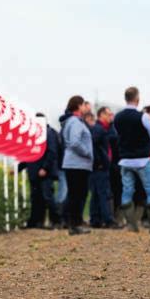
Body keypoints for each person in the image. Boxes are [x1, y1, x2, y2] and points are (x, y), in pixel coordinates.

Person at [113, 87, 150, 233]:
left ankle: (131, 225)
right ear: (137, 98)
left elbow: (118, 135)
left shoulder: (118, 117)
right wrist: (148, 147)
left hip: (125, 160)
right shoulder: (143, 117)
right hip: (142, 159)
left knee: (127, 191)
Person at [18, 115, 61, 229]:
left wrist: (45, 168)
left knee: (48, 196)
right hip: (33, 171)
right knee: (36, 198)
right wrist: (20, 167)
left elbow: (52, 152)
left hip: (44, 172)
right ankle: (36, 222)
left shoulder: (48, 133)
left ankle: (56, 221)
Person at [60, 95, 93, 235]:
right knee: (77, 195)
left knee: (77, 194)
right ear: (79, 106)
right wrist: (87, 152)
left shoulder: (74, 121)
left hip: (77, 164)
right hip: (77, 164)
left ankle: (75, 223)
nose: (87, 107)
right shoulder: (75, 122)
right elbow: (74, 142)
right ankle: (74, 224)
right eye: (84, 105)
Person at [89, 107, 121, 229]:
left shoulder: (103, 129)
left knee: (97, 194)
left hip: (101, 166)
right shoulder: (98, 129)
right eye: (109, 114)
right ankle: (108, 220)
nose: (111, 117)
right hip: (100, 167)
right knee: (104, 193)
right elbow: (93, 146)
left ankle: (95, 219)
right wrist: (99, 162)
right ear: (101, 115)